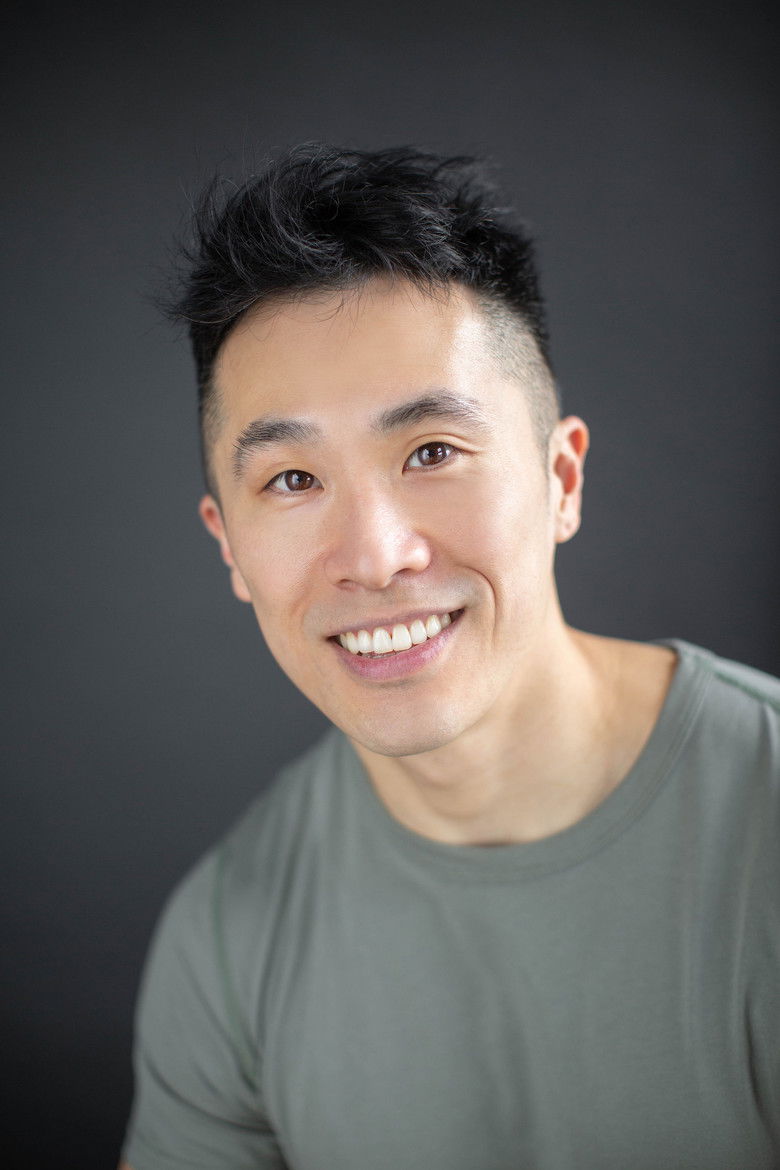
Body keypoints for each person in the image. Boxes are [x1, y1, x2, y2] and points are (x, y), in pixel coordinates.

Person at [120, 144, 780, 1170]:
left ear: (562, 480)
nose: (376, 556)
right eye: (292, 480)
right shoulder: (227, 938)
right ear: (230, 547)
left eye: (432, 452)